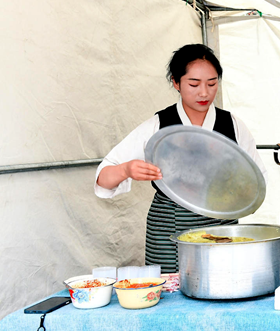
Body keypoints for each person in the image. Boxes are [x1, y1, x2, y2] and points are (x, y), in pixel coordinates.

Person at [95, 44, 267, 272]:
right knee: (171, 289)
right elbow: (103, 179)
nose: (204, 93)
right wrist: (126, 170)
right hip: (169, 228)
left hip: (221, 227)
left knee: (222, 281)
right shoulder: (158, 125)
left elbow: (256, 183)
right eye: (194, 84)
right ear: (176, 82)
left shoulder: (233, 125)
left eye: (212, 83)